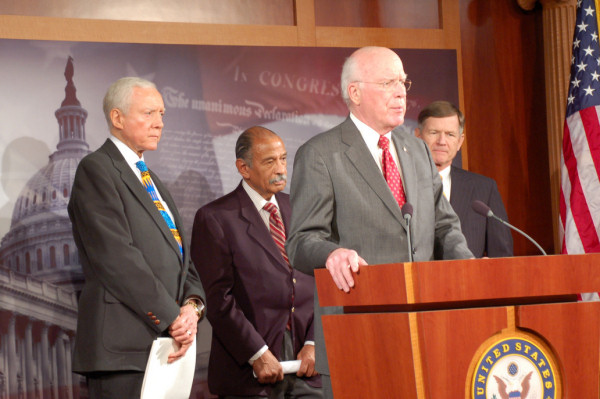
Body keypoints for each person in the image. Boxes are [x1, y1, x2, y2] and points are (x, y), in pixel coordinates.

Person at [286, 46, 474, 397]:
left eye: (403, 82)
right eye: (388, 82)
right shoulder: (321, 154)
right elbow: (300, 241)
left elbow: (444, 226)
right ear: (354, 93)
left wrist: (471, 274)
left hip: (426, 330)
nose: (401, 92)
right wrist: (332, 254)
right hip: (358, 335)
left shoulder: (416, 150)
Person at [68, 77, 206, 398]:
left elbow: (182, 258)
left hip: (167, 347)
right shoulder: (96, 169)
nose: (159, 123)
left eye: (162, 114)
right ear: (117, 118)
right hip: (124, 352)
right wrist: (173, 318)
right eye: (148, 113)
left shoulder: (153, 180)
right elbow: (116, 258)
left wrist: (191, 308)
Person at [191, 126, 322, 399]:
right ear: (244, 167)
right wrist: (257, 353)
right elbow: (218, 300)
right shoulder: (216, 218)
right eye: (269, 161)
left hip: (307, 370)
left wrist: (314, 342)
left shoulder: (301, 208)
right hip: (250, 375)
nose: (280, 169)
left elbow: (322, 281)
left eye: (284, 159)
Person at [415, 100, 513, 258]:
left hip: (467, 281)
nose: (441, 141)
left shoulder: (484, 188)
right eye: (434, 133)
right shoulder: (401, 184)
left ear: (460, 141)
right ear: (417, 136)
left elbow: (501, 255)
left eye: (450, 134)